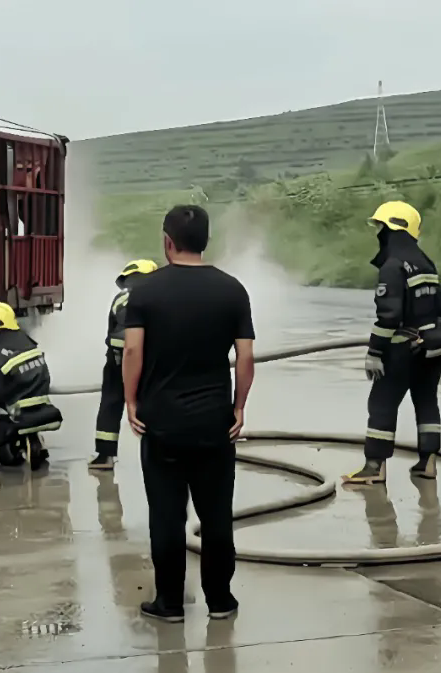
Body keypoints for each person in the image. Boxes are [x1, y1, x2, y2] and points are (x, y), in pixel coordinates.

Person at [122, 204, 255, 623]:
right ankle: (220, 600)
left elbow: (131, 351)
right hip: (214, 422)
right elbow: (247, 357)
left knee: (166, 515)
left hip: (161, 423)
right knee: (216, 514)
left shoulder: (143, 292)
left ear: (167, 242)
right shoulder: (232, 290)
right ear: (205, 241)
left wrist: (130, 400)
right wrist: (238, 406)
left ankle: (170, 603)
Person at [343, 201, 441, 485]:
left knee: (382, 402)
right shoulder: (426, 262)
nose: (378, 233)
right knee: (427, 401)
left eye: (381, 227)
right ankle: (428, 463)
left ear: (394, 229)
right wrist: (427, 336)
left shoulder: (393, 266)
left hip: (400, 349)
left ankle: (374, 467)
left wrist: (375, 351)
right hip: (431, 347)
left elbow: (389, 315)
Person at [0, 301, 64, 471]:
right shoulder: (28, 342)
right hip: (46, 412)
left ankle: (18, 451)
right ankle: (32, 438)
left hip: (17, 417)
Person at [90, 259, 159, 470]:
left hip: (120, 359)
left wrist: (121, 360)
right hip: (152, 359)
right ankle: (160, 453)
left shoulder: (122, 298)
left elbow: (117, 335)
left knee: (111, 402)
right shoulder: (160, 296)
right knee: (157, 403)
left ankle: (105, 456)